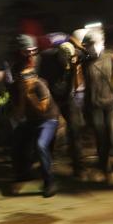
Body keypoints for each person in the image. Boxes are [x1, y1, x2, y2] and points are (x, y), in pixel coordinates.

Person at [9, 34, 60, 197]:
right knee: (17, 139)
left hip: (47, 116)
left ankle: (49, 182)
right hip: (32, 117)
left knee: (40, 145)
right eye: (27, 51)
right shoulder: (16, 68)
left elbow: (44, 106)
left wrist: (31, 92)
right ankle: (23, 173)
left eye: (33, 51)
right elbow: (18, 98)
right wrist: (18, 113)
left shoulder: (42, 68)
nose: (31, 55)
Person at [37, 41, 86, 177]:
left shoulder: (77, 55)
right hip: (51, 98)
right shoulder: (46, 57)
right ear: (58, 55)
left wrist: (77, 59)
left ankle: (79, 167)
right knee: (50, 131)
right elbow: (39, 78)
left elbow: (88, 53)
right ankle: (47, 165)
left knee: (75, 129)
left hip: (67, 98)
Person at [82, 30, 113, 182]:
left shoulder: (110, 56)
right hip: (94, 105)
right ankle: (106, 168)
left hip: (110, 103)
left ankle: (102, 163)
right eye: (87, 45)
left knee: (110, 137)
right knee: (100, 137)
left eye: (91, 44)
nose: (89, 47)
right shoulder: (85, 60)